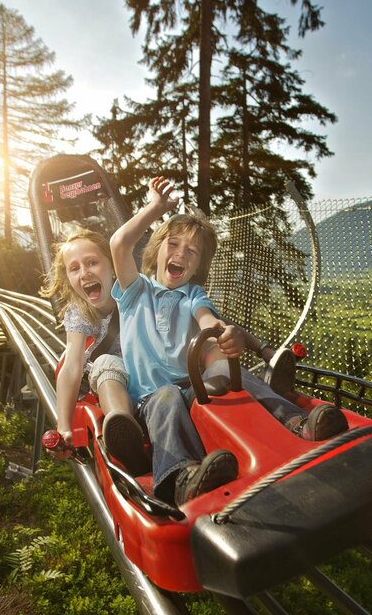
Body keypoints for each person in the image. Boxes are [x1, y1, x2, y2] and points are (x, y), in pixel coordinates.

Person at [109, 176, 348, 506]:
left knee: (228, 370)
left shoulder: (193, 293)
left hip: (190, 383)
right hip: (151, 399)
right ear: (157, 248)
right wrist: (155, 208)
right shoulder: (136, 291)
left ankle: (296, 422)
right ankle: (180, 477)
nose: (181, 253)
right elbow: (120, 244)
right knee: (167, 396)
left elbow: (208, 319)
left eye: (191, 251)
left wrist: (225, 335)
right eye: (173, 244)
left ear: (197, 266)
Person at [40, 229, 151, 475]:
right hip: (110, 376)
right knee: (105, 362)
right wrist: (64, 426)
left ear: (112, 266)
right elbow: (72, 365)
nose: (85, 272)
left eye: (92, 262)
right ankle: (122, 430)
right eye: (75, 268)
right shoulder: (79, 312)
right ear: (68, 278)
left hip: (145, 369)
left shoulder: (133, 292)